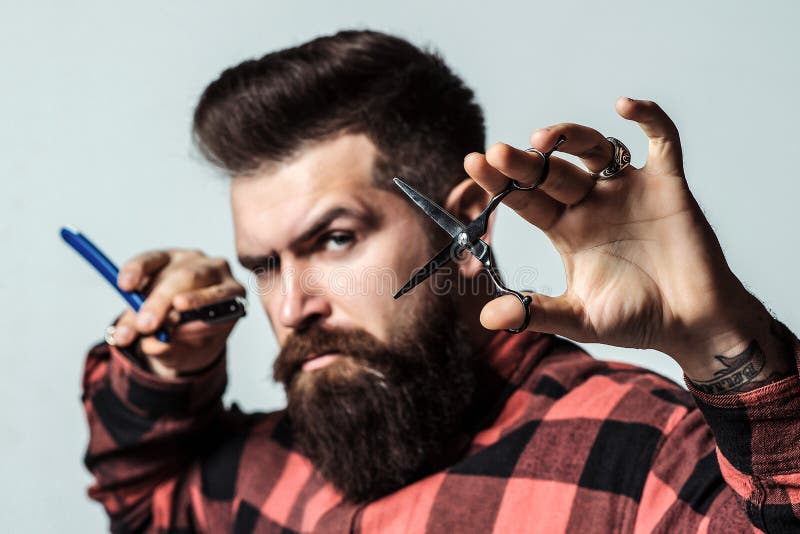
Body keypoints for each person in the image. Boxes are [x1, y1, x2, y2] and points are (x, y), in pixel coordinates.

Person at [81, 30, 800, 533]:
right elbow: (143, 502)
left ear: (465, 231)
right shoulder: (265, 470)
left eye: (334, 240)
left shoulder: (642, 455)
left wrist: (722, 343)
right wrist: (170, 369)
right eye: (264, 266)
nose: (292, 306)